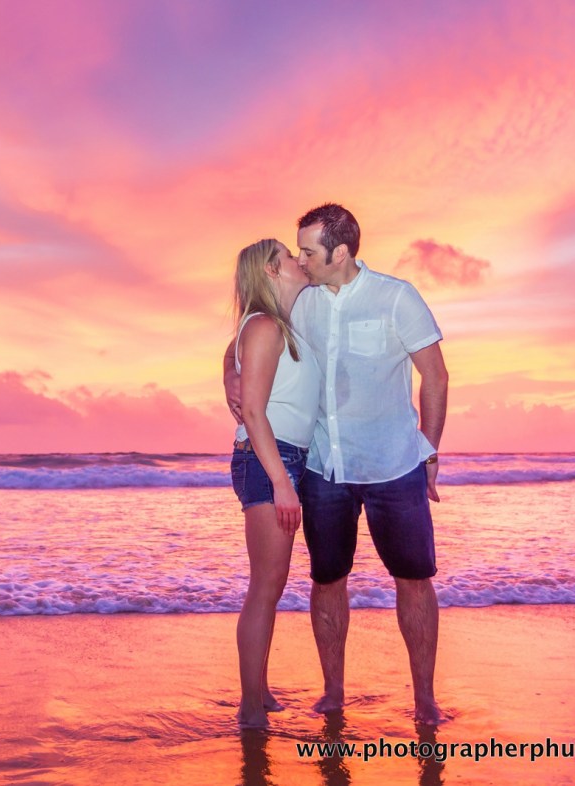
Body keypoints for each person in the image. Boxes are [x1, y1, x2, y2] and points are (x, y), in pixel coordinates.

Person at [226, 204, 448, 725]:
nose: (301, 259)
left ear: (341, 252)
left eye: (308, 251)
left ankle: (424, 698)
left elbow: (435, 377)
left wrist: (430, 448)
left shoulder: (396, 297)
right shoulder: (299, 300)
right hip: (322, 466)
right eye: (296, 252)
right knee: (327, 579)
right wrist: (229, 377)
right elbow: (247, 335)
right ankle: (332, 692)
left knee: (414, 578)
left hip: (393, 462)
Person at [228, 238, 321, 728]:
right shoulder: (265, 326)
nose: (299, 261)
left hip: (285, 457)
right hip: (269, 459)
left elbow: (235, 353)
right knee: (265, 586)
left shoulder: (276, 324)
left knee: (272, 585)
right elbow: (254, 412)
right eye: (289, 255)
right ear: (270, 269)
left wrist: (227, 369)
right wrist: (282, 484)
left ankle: (259, 689)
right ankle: (249, 706)